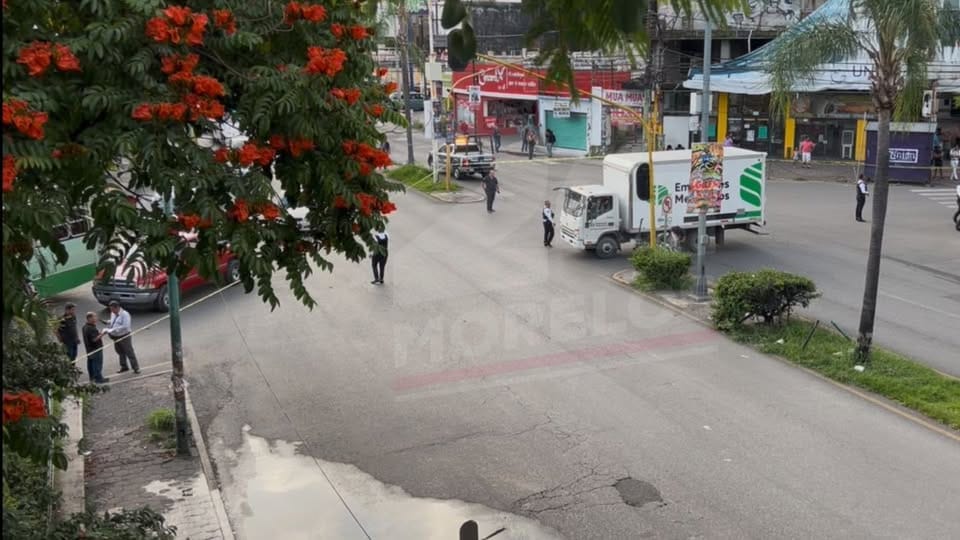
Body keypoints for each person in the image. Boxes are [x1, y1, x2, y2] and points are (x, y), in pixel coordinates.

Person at [103, 300, 139, 374]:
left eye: (113, 309)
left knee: (129, 352)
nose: (112, 311)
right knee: (120, 352)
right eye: (111, 309)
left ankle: (136, 368)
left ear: (117, 308)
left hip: (124, 336)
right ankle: (124, 366)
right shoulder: (113, 313)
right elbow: (114, 321)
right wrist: (108, 322)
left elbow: (125, 326)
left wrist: (112, 330)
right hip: (115, 336)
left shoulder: (125, 314)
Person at [82, 312, 109, 384]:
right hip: (95, 348)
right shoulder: (91, 328)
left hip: (89, 349)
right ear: (89, 318)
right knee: (97, 364)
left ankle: (92, 377)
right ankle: (99, 378)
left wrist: (99, 334)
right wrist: (103, 334)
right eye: (94, 317)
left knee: (91, 363)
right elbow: (94, 339)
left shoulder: (85, 327)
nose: (96, 318)